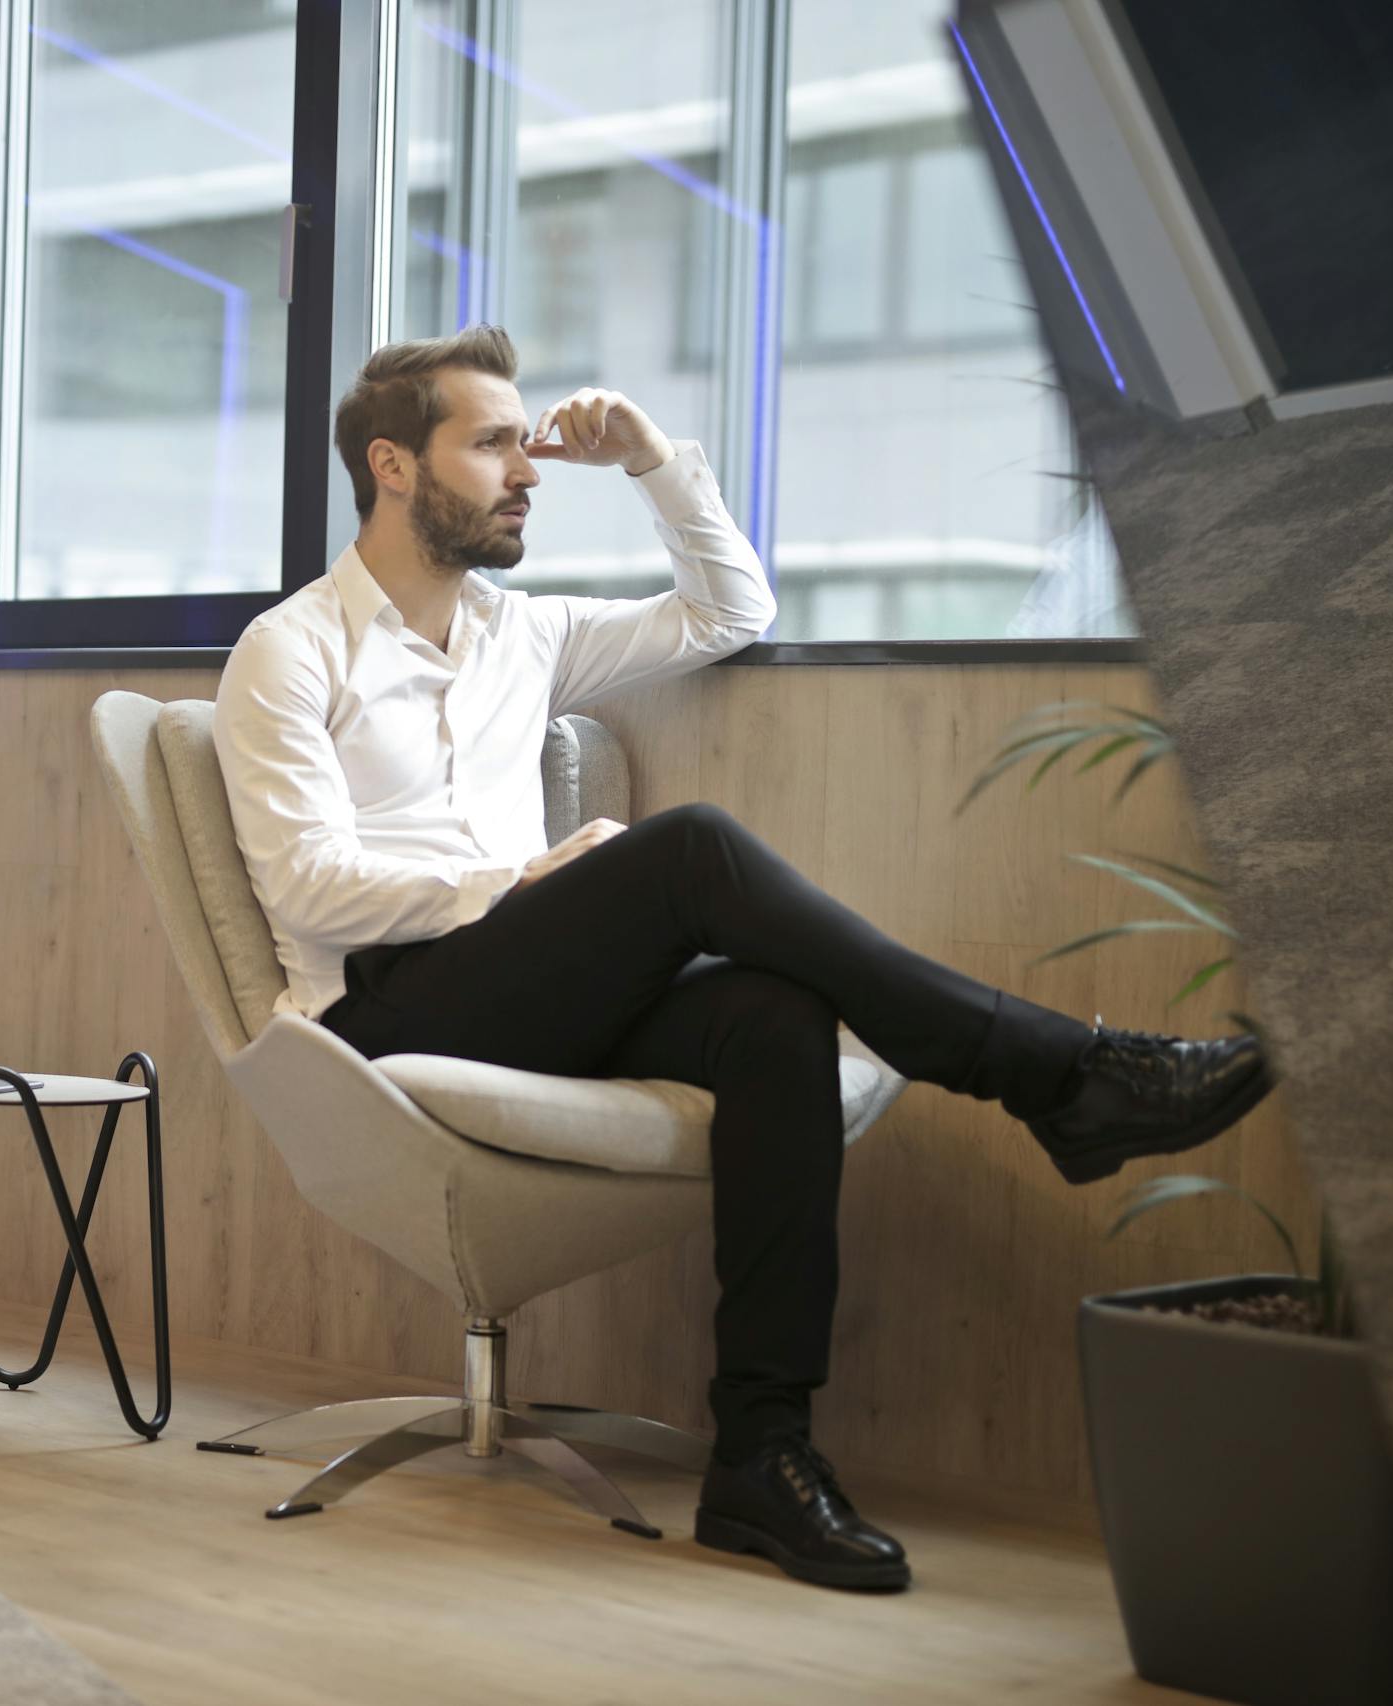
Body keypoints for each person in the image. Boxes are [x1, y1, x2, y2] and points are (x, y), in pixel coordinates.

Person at [210, 326, 1271, 1593]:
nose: (526, 467)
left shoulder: (524, 634)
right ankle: (1060, 1071)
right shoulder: (290, 648)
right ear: (392, 464)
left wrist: (656, 462)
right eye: (491, 442)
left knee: (769, 1015)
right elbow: (308, 888)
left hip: (522, 992)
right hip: (386, 1010)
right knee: (693, 848)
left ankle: (761, 1459)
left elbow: (733, 609)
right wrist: (523, 879)